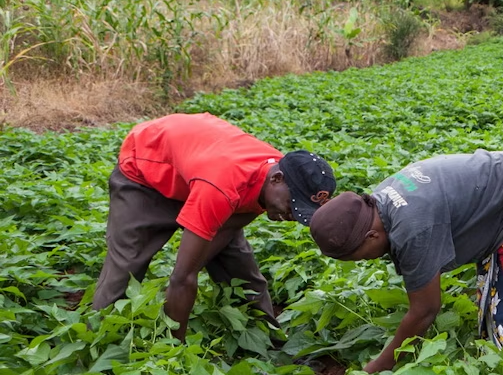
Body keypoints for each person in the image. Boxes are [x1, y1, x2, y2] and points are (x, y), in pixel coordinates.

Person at [310, 150, 503, 374]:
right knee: (496, 292)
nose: (367, 260)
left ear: (372, 236)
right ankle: (498, 359)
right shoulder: (378, 202)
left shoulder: (412, 228)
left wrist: (379, 366)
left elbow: (425, 309)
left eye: (359, 256)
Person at [92, 112, 336, 340]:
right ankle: (99, 337)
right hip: (146, 169)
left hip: (197, 170)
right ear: (276, 179)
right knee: (128, 263)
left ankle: (270, 340)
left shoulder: (273, 183)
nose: (291, 215)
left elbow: (227, 230)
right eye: (292, 205)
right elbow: (182, 278)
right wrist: (176, 353)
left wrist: (196, 262)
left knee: (240, 267)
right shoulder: (224, 185)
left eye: (300, 211)